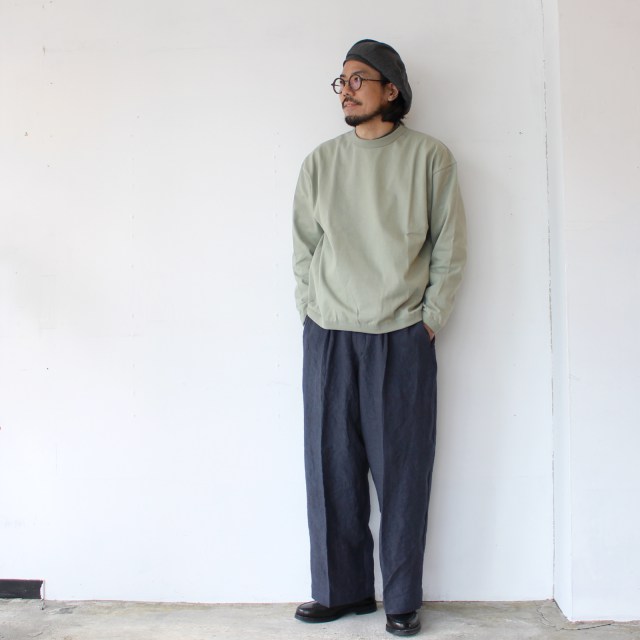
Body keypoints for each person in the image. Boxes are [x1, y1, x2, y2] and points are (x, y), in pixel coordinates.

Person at [291, 39, 466, 637]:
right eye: (340, 81)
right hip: (329, 336)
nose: (346, 90)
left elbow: (449, 247)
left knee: (402, 474)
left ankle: (401, 599)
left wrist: (430, 318)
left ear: (391, 88)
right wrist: (310, 311)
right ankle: (341, 593)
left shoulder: (430, 158)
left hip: (401, 336)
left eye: (358, 79)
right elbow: (303, 248)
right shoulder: (320, 162)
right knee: (330, 471)